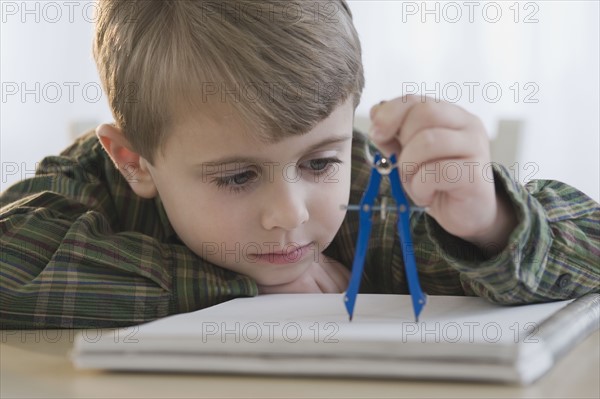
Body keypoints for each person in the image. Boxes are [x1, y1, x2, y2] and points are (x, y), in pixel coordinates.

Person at [1, 0, 598, 329]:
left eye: (318, 163)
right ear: (135, 162)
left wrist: (489, 222)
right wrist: (238, 290)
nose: (290, 215)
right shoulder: (91, 184)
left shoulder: (376, 189)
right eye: (237, 176)